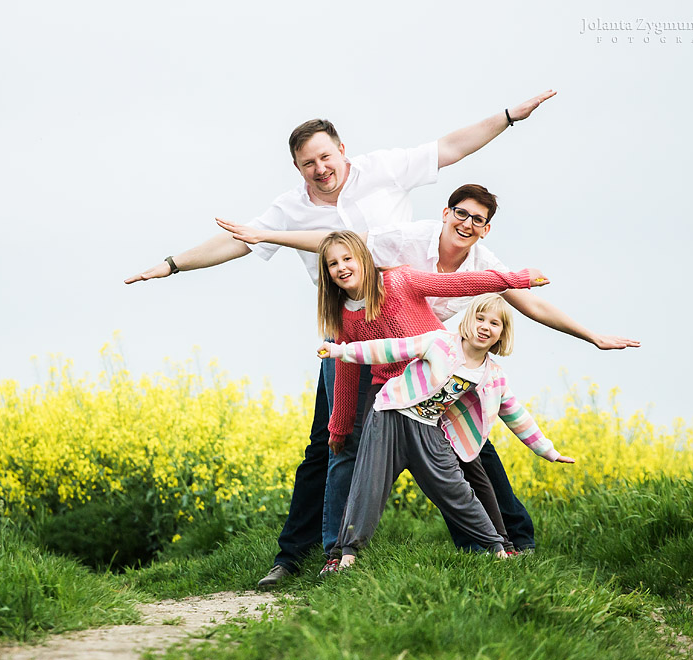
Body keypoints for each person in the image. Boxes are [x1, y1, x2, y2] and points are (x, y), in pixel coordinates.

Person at [124, 92, 558, 588]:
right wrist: (172, 264)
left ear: (342, 151)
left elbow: (451, 147)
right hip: (348, 338)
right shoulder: (289, 209)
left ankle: (506, 541)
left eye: (326, 157)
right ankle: (300, 556)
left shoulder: (383, 170)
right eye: (308, 163)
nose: (320, 168)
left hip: (413, 334)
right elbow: (238, 241)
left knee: (467, 436)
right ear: (296, 167)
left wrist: (508, 117)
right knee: (331, 445)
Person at [217, 183, 638, 555]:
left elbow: (477, 287)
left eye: (478, 219)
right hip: (383, 366)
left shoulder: (449, 269)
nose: (468, 223)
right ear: (446, 212)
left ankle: (501, 542)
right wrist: (266, 234)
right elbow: (339, 255)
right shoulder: (401, 248)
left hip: (433, 365)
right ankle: (330, 550)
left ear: (486, 228)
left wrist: (582, 328)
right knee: (340, 449)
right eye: (461, 213)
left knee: (472, 452)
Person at [321, 293, 574, 570]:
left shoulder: (494, 376)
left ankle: (498, 549)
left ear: (502, 334)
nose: (485, 327)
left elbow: (516, 415)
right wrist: (340, 352)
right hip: (390, 417)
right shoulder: (439, 343)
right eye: (480, 318)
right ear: (468, 320)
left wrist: (548, 450)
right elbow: (391, 349)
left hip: (428, 430)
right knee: (369, 485)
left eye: (494, 323)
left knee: (458, 490)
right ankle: (346, 555)